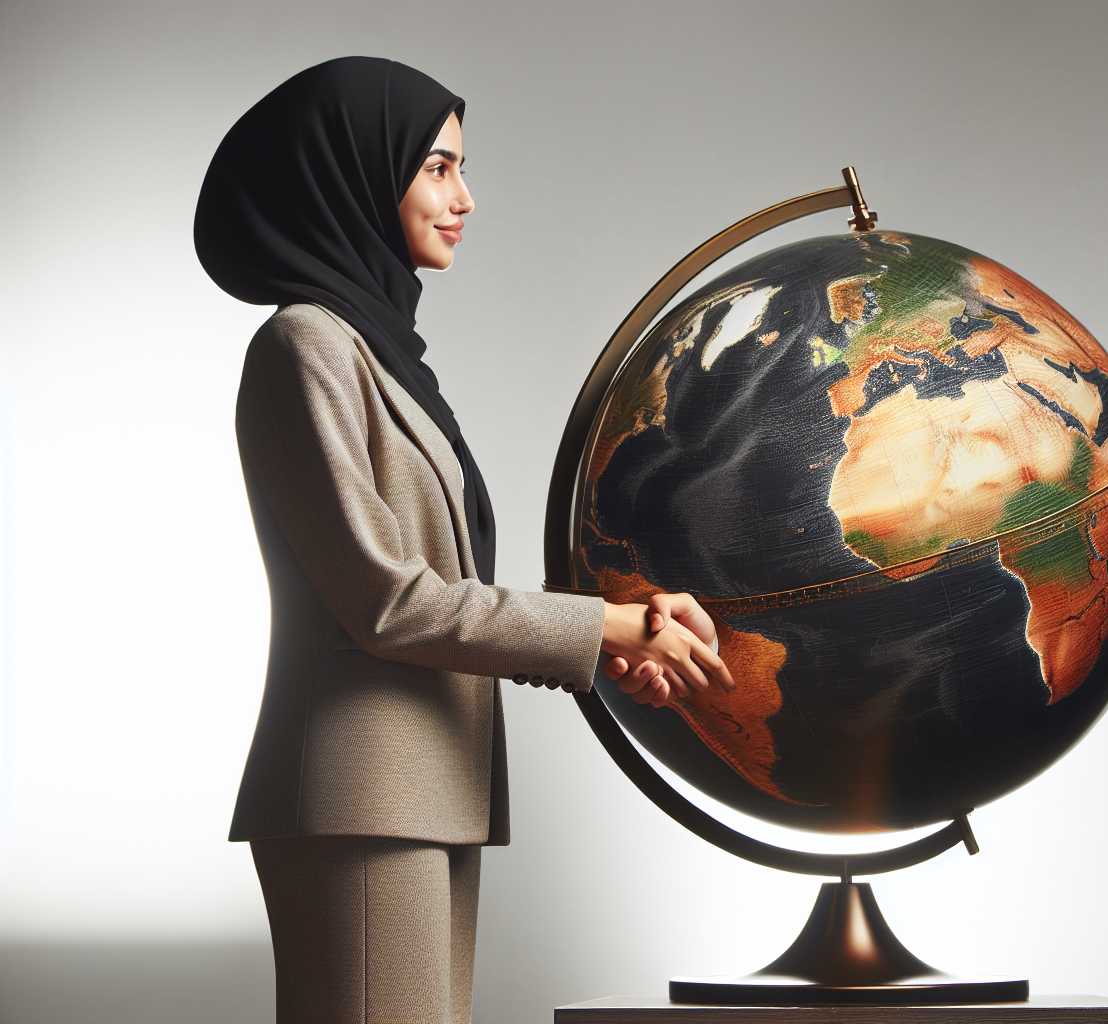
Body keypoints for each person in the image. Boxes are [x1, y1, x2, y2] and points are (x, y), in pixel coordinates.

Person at [195, 56, 733, 1024]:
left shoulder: (377, 351)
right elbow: (387, 601)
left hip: (423, 785)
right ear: (354, 173)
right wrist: (604, 626)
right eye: (438, 168)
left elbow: (437, 591)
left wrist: (611, 638)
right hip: (362, 791)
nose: (465, 198)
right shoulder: (305, 345)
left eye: (461, 169)